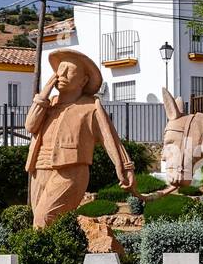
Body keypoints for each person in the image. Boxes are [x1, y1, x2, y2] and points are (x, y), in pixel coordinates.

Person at [24, 49, 134, 227]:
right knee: (42, 224)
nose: (62, 74)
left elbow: (110, 139)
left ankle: (46, 253)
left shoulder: (91, 106)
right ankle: (62, 252)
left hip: (71, 171)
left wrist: (124, 166)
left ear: (83, 80)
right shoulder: (48, 104)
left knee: (44, 219)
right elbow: (30, 126)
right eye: (60, 69)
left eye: (70, 70)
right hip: (40, 168)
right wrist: (43, 94)